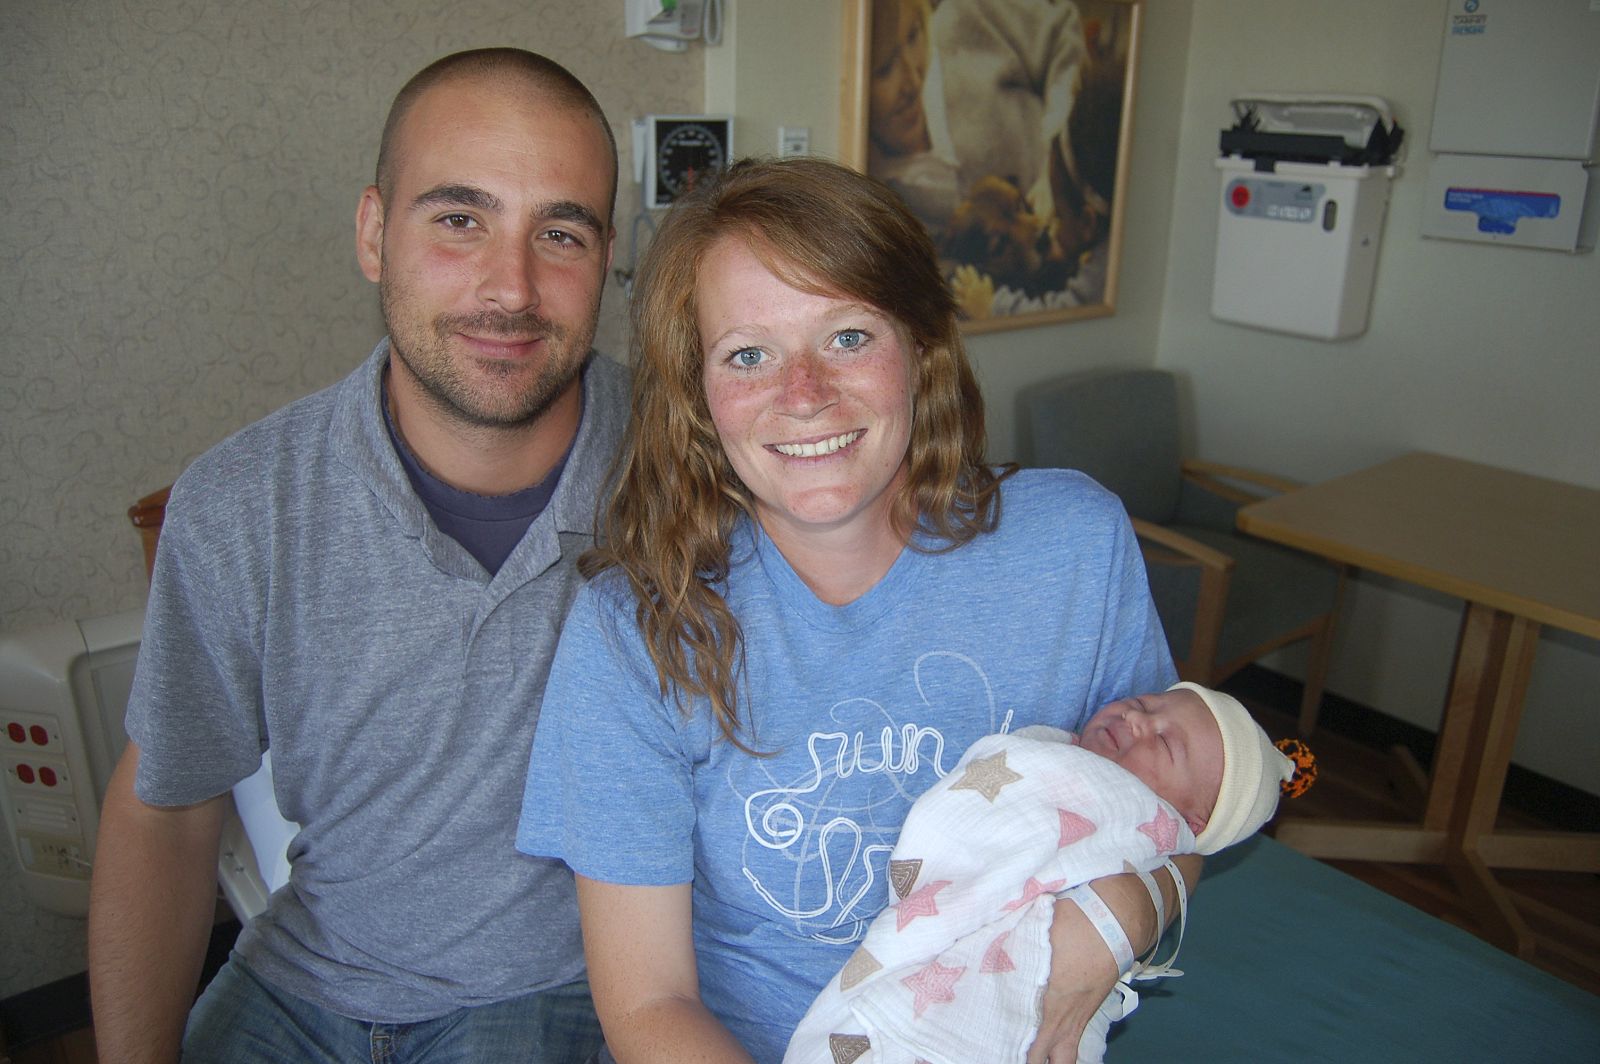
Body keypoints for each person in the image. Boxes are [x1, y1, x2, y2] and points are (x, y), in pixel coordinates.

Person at [515, 156, 1199, 1064]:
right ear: (698, 398)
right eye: (747, 354)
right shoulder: (637, 630)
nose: (803, 394)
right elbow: (648, 1007)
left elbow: (1182, 817)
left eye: (846, 337)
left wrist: (1116, 922)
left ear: (921, 346)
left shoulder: (1074, 545)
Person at [87, 48, 624, 1064]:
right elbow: (168, 801)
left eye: (560, 231)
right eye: (458, 219)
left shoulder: (692, 465)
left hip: (544, 988)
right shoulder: (242, 501)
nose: (510, 288)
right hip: (301, 974)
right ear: (374, 233)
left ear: (605, 256)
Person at [785, 682, 1316, 1064]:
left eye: (1164, 742)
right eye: (1144, 702)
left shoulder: (1132, 814)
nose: (1136, 719)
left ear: (1187, 820)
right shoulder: (1054, 752)